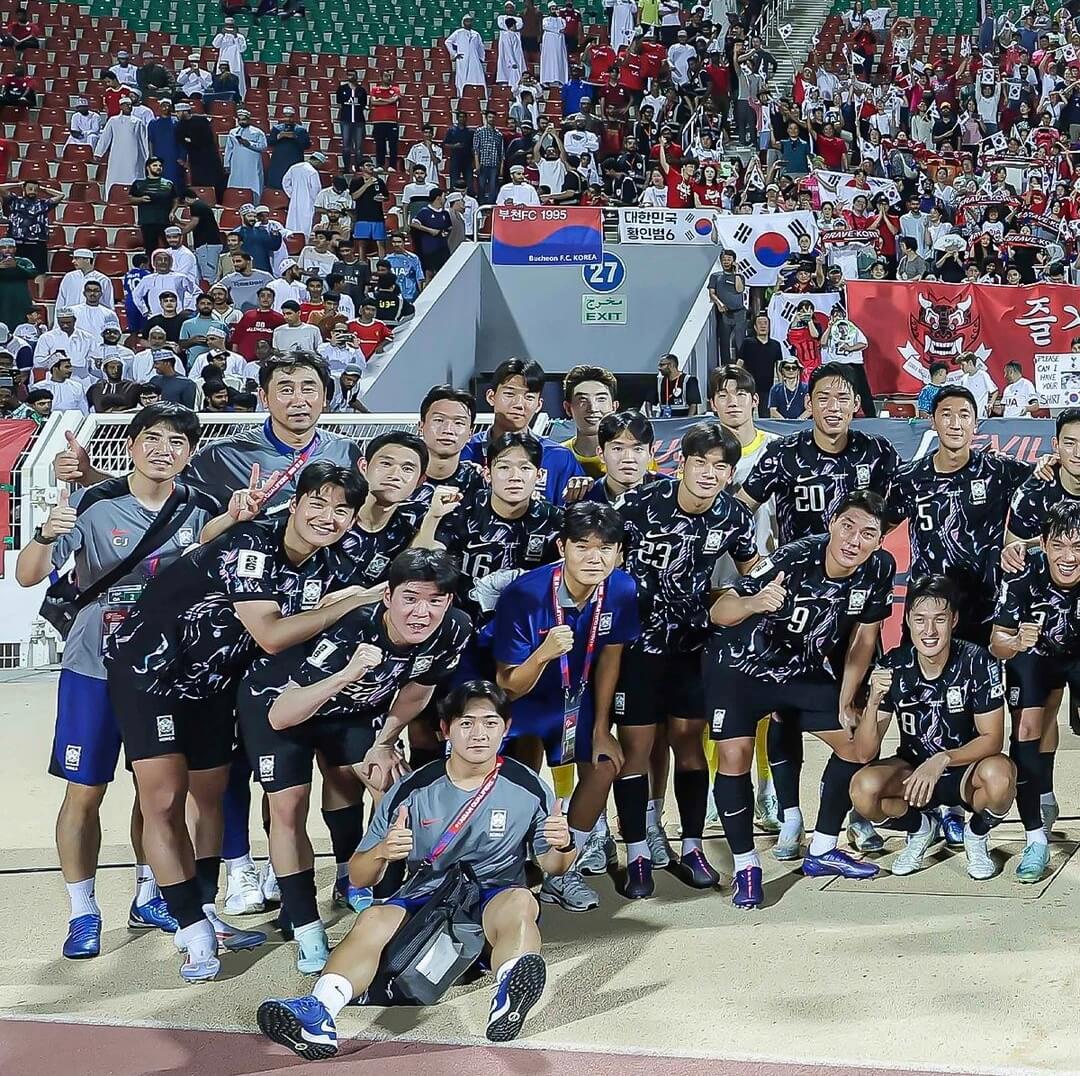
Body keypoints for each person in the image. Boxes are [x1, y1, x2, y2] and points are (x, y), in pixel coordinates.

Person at [104, 461, 372, 982]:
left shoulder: (327, 561)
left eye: (342, 510)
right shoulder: (253, 542)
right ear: (295, 504)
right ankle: (191, 930)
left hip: (214, 684)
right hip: (150, 673)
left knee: (209, 798)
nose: (328, 516)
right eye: (317, 503)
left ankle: (204, 910)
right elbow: (270, 634)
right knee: (164, 800)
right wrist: (347, 605)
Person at [256, 679, 574, 1057]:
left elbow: (555, 866)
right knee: (372, 918)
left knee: (522, 901)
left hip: (493, 900)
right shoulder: (413, 789)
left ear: (505, 729)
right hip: (427, 899)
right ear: (445, 730)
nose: (479, 734)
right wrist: (383, 851)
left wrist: (562, 843)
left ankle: (508, 994)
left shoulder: (527, 785)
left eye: (490, 723)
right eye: (466, 723)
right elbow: (359, 876)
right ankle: (319, 1012)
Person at [14, 403, 218, 959]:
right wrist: (44, 534)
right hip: (93, 669)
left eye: (177, 442)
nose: (163, 450)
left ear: (190, 453)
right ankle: (82, 911)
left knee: (158, 792)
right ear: (130, 444)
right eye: (152, 438)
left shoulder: (201, 508)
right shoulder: (92, 503)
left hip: (165, 675)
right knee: (85, 791)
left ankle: (148, 894)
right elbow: (28, 575)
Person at [238, 548, 472, 972]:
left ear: (449, 601)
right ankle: (306, 925)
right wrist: (346, 674)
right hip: (282, 702)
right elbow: (282, 714)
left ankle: (363, 888)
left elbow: (417, 691)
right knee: (288, 805)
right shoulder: (352, 630)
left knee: (381, 780)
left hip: (354, 706)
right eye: (410, 599)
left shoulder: (455, 628)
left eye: (435, 601)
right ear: (388, 596)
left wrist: (384, 742)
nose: (422, 613)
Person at [707, 491, 895, 908]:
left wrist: (846, 699)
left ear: (880, 540)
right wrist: (754, 602)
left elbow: (864, 639)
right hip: (740, 668)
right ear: (832, 523)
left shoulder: (880, 567)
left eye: (868, 533)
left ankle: (823, 848)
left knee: (859, 745)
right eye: (847, 526)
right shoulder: (792, 558)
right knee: (735, 756)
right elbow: (720, 612)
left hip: (799, 670)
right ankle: (746, 866)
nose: (854, 541)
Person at [613, 423, 758, 898]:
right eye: (700, 462)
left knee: (689, 745)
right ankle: (637, 854)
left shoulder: (734, 516)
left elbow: (753, 570)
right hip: (635, 649)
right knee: (635, 750)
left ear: (730, 473)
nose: (709, 473)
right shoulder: (638, 505)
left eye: (720, 466)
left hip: (693, 649)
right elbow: (598, 558)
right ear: (681, 463)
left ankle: (692, 846)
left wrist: (747, 600)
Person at [493, 502, 638, 911]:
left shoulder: (622, 588)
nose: (594, 558)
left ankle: (563, 870)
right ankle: (509, 862)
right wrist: (542, 654)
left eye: (605, 548)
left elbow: (610, 657)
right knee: (518, 771)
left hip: (576, 697)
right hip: (524, 698)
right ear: (562, 547)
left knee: (606, 763)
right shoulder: (524, 593)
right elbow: (507, 685)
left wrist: (601, 728)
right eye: (582, 546)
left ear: (618, 553)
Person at [850, 575, 1014, 881]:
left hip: (965, 771)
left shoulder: (978, 661)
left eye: (939, 619)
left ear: (953, 620)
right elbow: (863, 752)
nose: (929, 630)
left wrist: (943, 759)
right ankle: (920, 829)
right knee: (863, 788)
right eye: (920, 619)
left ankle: (976, 835)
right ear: (908, 620)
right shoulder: (894, 664)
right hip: (914, 775)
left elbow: (993, 739)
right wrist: (872, 701)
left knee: (1001, 776)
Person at [992, 501, 1080, 883]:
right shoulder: (1023, 569)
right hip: (1034, 653)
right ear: (1043, 545)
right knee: (1027, 728)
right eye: (1059, 545)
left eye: (1078, 547)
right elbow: (997, 641)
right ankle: (1036, 838)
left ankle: (1044, 800)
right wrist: (1015, 642)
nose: (1069, 557)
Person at [460, 358, 585, 506]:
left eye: (529, 397)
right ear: (491, 397)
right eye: (509, 394)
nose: (519, 404)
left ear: (539, 405)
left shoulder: (559, 457)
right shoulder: (464, 452)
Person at [560, 364, 618, 477]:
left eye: (601, 399)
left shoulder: (632, 457)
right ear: (567, 408)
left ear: (614, 407)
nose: (592, 408)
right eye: (582, 399)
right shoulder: (555, 456)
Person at [96, 97, 150, 196]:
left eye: (130, 105)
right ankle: (112, 196)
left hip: (133, 155)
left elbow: (143, 140)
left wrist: (147, 156)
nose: (129, 107)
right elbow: (105, 137)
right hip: (117, 155)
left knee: (133, 174)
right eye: (126, 105)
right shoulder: (113, 120)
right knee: (115, 174)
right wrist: (99, 153)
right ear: (121, 106)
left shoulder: (138, 122)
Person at [129, 157, 177, 255]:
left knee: (170, 249)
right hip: (147, 221)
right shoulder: (139, 184)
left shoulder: (168, 184)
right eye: (155, 165)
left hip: (165, 221)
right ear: (148, 167)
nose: (158, 167)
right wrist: (140, 199)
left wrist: (172, 212)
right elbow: (130, 198)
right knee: (150, 249)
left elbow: (176, 200)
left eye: (160, 166)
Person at [736, 313, 781, 416]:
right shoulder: (748, 343)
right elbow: (740, 363)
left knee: (765, 416)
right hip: (749, 386)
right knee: (746, 414)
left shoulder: (775, 345)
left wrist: (781, 384)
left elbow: (778, 367)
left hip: (767, 387)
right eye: (760, 323)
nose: (763, 326)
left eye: (765, 323)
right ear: (755, 327)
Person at [709, 249, 747, 366]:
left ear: (733, 261)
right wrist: (719, 303)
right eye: (724, 259)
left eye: (729, 259)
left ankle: (741, 366)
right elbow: (712, 293)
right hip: (724, 313)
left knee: (740, 341)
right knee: (724, 341)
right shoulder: (715, 276)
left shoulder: (740, 276)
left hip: (739, 312)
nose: (726, 262)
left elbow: (739, 289)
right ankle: (725, 366)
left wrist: (737, 272)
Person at [411, 188, 453, 281]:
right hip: (429, 249)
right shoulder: (424, 212)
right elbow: (414, 224)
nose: (445, 199)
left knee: (444, 272)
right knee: (429, 273)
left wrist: (445, 233)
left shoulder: (445, 213)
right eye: (444, 197)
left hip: (443, 248)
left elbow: (449, 227)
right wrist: (430, 230)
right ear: (438, 198)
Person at [283, 151, 326, 239]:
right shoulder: (313, 172)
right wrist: (314, 201)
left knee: (293, 223)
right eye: (320, 164)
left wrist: (292, 194)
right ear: (317, 161)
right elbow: (316, 189)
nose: (320, 166)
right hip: (308, 203)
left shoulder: (294, 167)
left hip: (294, 202)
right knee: (305, 226)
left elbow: (285, 182)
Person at [225, 110, 267, 200]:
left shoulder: (257, 132)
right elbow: (229, 149)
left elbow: (263, 147)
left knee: (254, 182)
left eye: (244, 119)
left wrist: (249, 144)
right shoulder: (233, 132)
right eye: (239, 120)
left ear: (249, 119)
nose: (242, 122)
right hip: (237, 164)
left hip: (252, 164)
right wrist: (227, 164)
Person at [266, 107, 311, 191]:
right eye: (286, 117)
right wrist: (279, 136)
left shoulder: (301, 130)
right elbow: (269, 143)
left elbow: (307, 145)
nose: (288, 119)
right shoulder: (276, 129)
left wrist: (295, 137)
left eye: (290, 117)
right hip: (279, 162)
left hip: (295, 161)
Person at [647, 353, 701, 418]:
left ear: (671, 365)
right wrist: (651, 418)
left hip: (682, 419)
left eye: (662, 365)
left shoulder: (689, 380)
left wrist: (688, 420)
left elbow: (693, 405)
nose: (659, 368)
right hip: (664, 420)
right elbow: (648, 402)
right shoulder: (658, 381)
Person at [368, 70, 402, 171]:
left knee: (393, 145)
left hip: (392, 121)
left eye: (389, 76)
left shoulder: (395, 89)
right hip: (378, 121)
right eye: (386, 76)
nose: (388, 78)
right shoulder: (375, 89)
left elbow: (394, 100)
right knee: (380, 144)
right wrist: (388, 101)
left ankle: (392, 166)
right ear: (381, 78)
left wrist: (380, 100)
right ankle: (380, 165)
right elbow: (373, 102)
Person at [446, 15, 488, 98]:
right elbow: (448, 42)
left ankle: (478, 94)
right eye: (466, 21)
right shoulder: (458, 32)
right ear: (463, 22)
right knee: (462, 77)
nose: (468, 23)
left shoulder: (476, 34)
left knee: (476, 77)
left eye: (470, 21)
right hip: (462, 58)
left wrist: (481, 58)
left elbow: (480, 47)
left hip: (474, 59)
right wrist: (454, 54)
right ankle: (461, 96)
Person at [336, 71, 367, 173]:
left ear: (356, 76)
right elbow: (339, 103)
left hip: (359, 121)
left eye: (352, 74)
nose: (351, 76)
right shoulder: (342, 89)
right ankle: (346, 168)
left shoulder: (361, 90)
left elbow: (363, 105)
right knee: (346, 146)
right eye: (349, 74)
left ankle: (358, 168)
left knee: (359, 147)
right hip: (345, 120)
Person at [213, 18, 248, 97]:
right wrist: (222, 34)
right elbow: (215, 45)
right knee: (221, 80)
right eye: (228, 26)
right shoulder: (221, 36)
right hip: (223, 61)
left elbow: (242, 49)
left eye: (231, 26)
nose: (229, 28)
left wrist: (235, 36)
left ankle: (239, 99)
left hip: (235, 62)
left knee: (237, 82)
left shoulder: (240, 37)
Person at [497, 4, 526, 91]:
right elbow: (508, 49)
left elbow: (520, 25)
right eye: (507, 7)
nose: (509, 9)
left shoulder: (516, 33)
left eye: (511, 7)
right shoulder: (506, 33)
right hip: (509, 55)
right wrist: (513, 61)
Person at [540, 2, 569, 86]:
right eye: (552, 9)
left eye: (555, 8)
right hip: (549, 43)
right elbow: (546, 27)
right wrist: (557, 30)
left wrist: (558, 28)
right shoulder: (545, 19)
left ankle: (560, 79)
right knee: (549, 60)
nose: (554, 10)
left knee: (559, 59)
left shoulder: (562, 20)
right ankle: (547, 79)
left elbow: (563, 27)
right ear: (549, 10)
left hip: (559, 43)